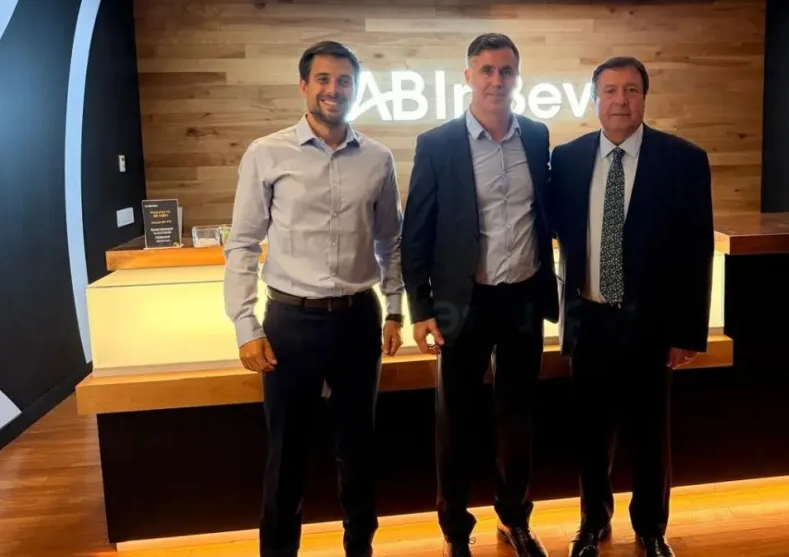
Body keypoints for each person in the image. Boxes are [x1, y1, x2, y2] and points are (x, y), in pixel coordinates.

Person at [223, 40, 405, 557]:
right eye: (323, 79)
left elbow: (390, 241)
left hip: (358, 319)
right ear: (304, 86)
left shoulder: (378, 158)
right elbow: (242, 243)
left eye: (344, 81)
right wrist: (245, 325)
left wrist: (395, 308)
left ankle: (359, 549)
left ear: (355, 89)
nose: (334, 89)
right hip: (290, 322)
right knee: (287, 454)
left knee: (358, 450)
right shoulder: (267, 153)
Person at [548, 56, 714, 557]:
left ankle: (651, 528)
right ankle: (592, 523)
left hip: (652, 323)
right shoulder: (568, 159)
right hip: (589, 318)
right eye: (610, 90)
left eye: (631, 90)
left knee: (650, 433)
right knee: (590, 433)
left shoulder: (683, 159)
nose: (620, 100)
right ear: (595, 99)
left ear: (644, 97)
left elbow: (696, 249)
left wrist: (687, 332)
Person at [401, 33, 559, 557]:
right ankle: (454, 530)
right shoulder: (437, 143)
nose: (497, 80)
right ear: (468, 76)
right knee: (456, 419)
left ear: (517, 77)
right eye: (487, 70)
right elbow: (416, 233)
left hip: (522, 298)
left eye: (506, 70)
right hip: (460, 301)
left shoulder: (535, 135)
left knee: (518, 417)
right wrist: (420, 308)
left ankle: (514, 518)